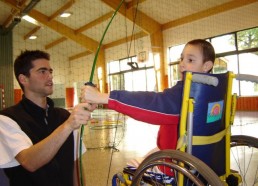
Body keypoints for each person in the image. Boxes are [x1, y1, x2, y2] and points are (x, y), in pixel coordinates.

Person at [81, 39, 215, 166]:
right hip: (201, 162)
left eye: (190, 60)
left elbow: (152, 103)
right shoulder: (213, 91)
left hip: (175, 168)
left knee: (120, 178)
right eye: (182, 58)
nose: (182, 64)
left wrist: (103, 97)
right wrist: (147, 157)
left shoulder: (187, 93)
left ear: (206, 66)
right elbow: (172, 141)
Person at [0, 50, 96, 186]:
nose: (50, 76)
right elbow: (29, 162)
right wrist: (68, 126)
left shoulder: (64, 116)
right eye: (42, 71)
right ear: (23, 79)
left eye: (50, 72)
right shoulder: (7, 119)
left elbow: (75, 164)